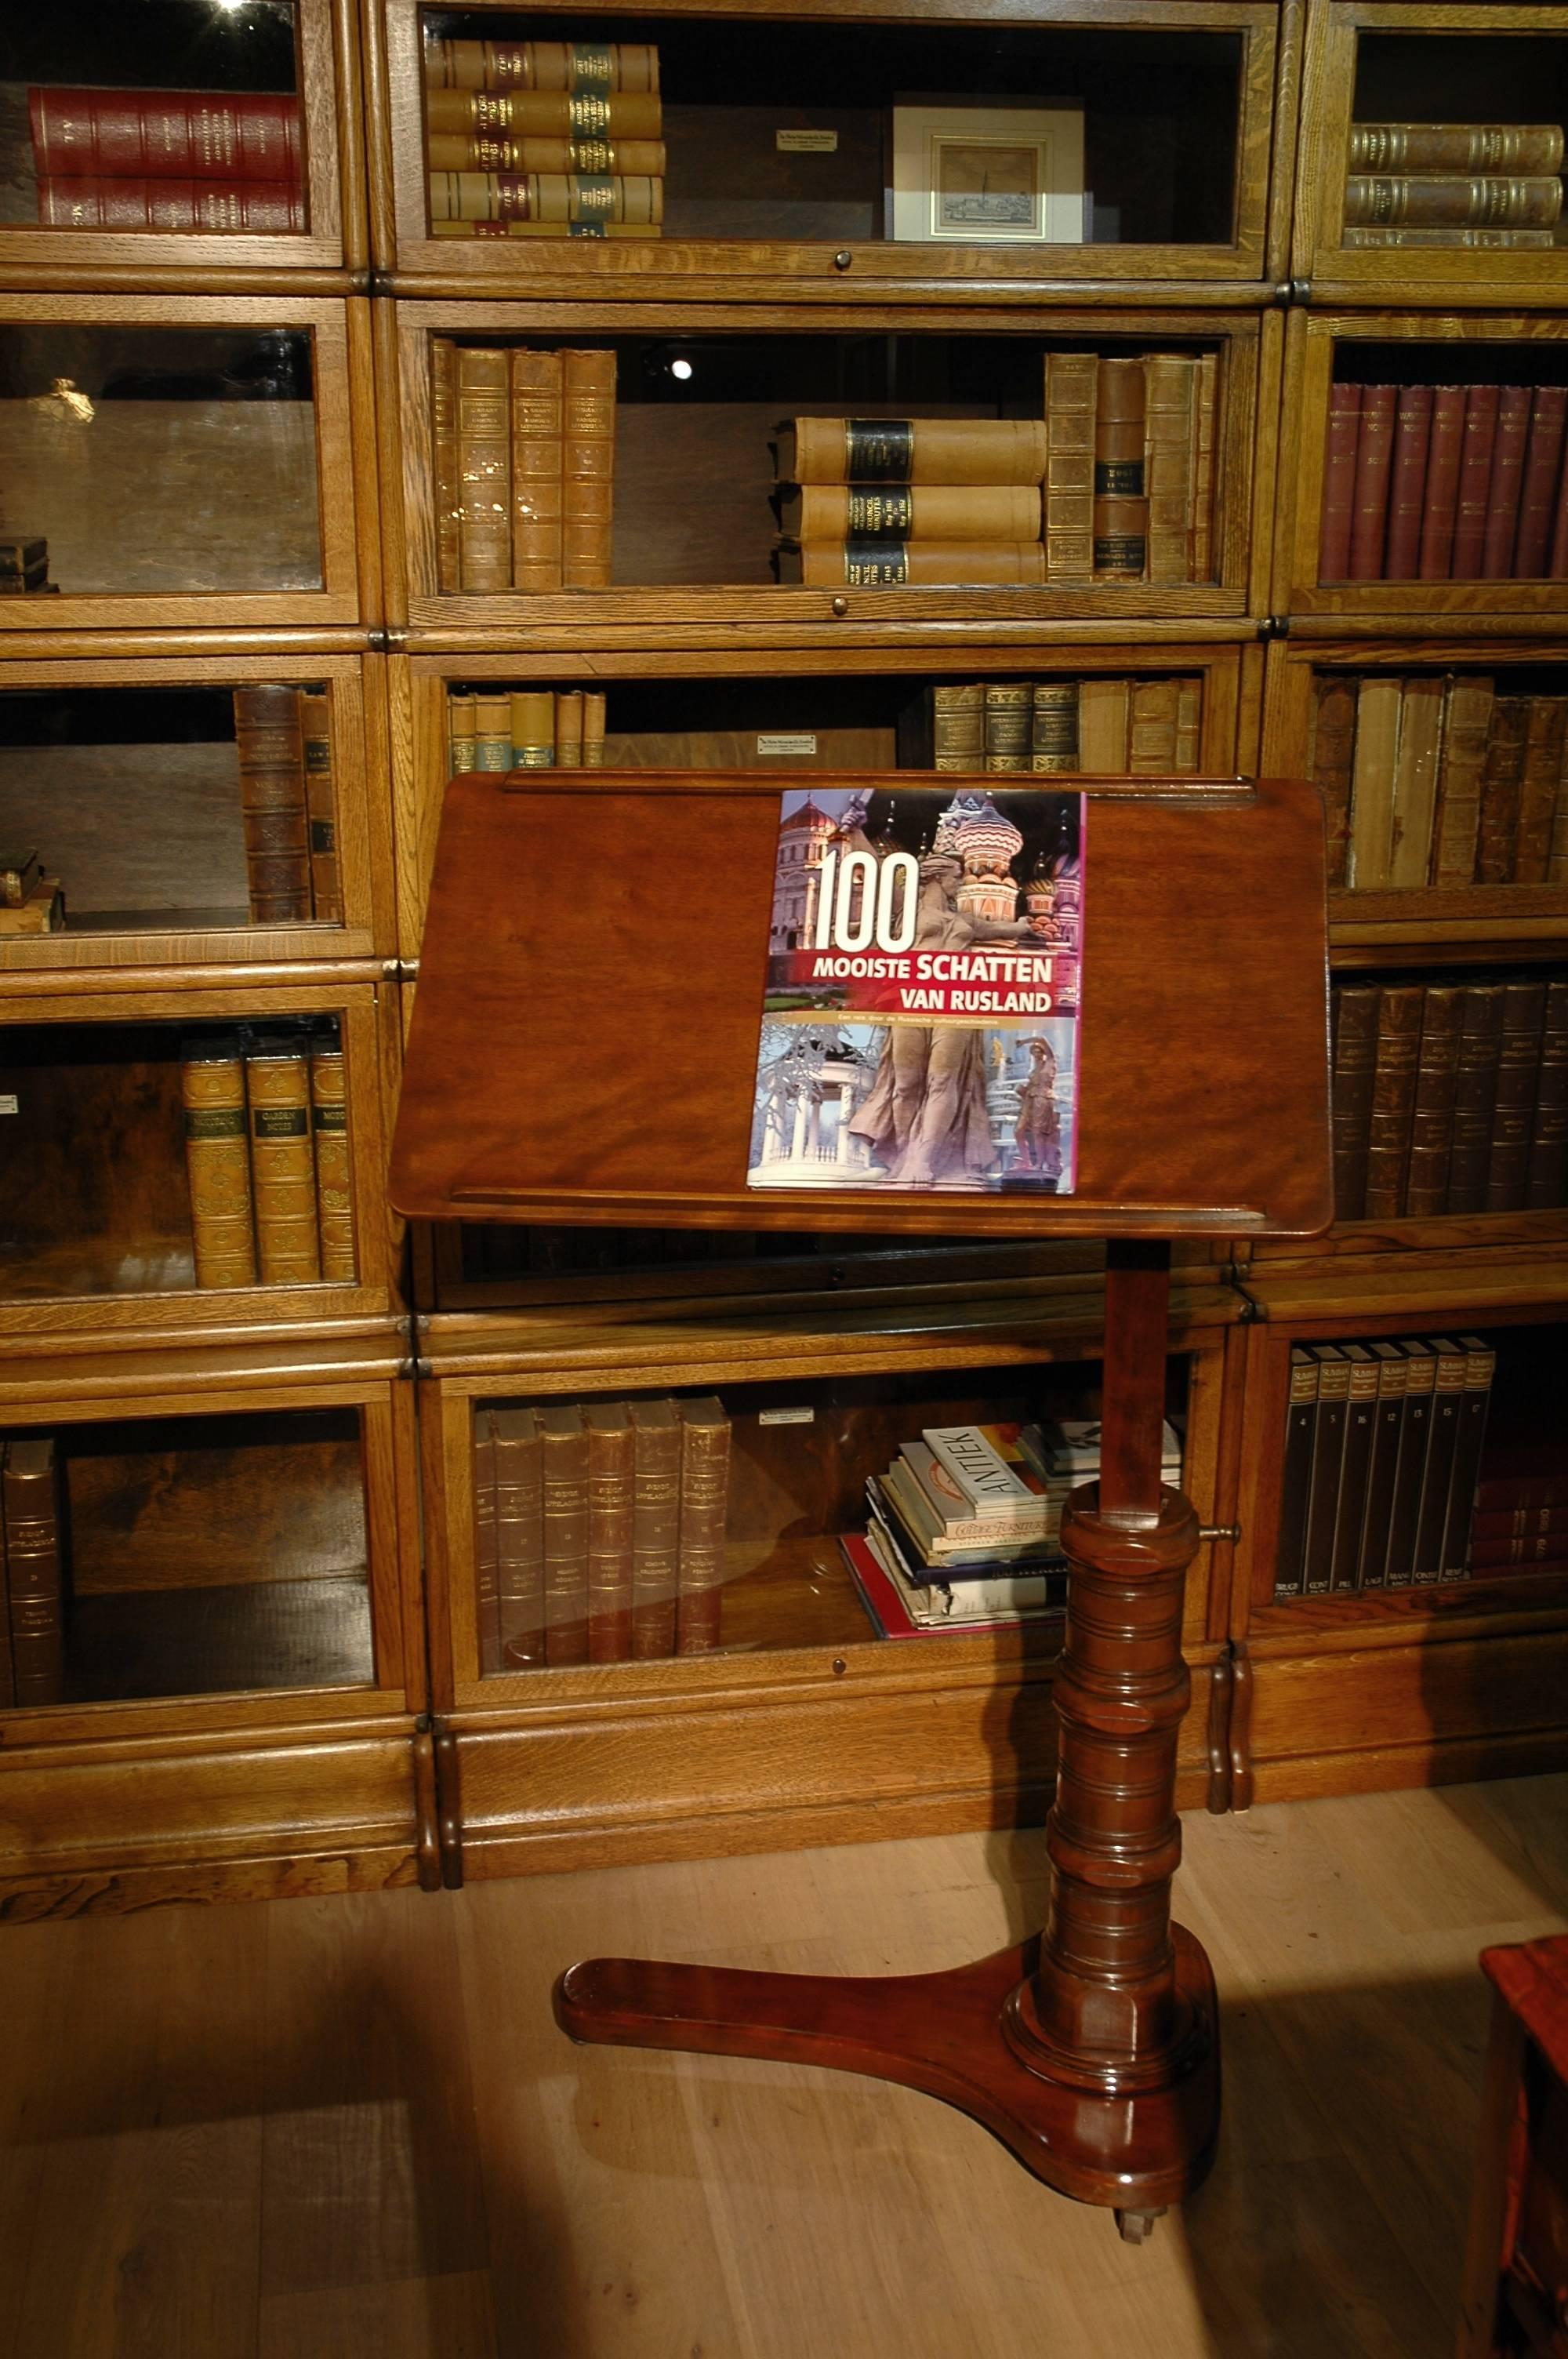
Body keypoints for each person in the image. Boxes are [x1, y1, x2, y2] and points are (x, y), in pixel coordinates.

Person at [848, 852, 1042, 1188]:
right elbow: (880, 873)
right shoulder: (906, 910)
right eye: (955, 876)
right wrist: (854, 831)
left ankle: (925, 1158)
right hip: (909, 999)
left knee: (943, 1080)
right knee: (906, 1083)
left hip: (956, 1002)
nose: (961, 883)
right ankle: (908, 1152)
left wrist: (1027, 925)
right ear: (937, 877)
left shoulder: (966, 922)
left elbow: (1006, 927)